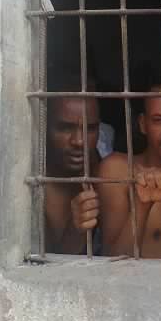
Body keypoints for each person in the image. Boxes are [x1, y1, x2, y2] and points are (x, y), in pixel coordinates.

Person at [98, 82, 161, 259]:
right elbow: (111, 261)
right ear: (143, 124)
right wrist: (142, 206)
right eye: (159, 120)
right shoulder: (119, 170)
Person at [45, 79, 101, 254]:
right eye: (65, 128)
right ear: (44, 127)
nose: (79, 141)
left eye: (90, 128)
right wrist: (75, 230)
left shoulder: (100, 165)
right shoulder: (33, 186)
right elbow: (43, 267)